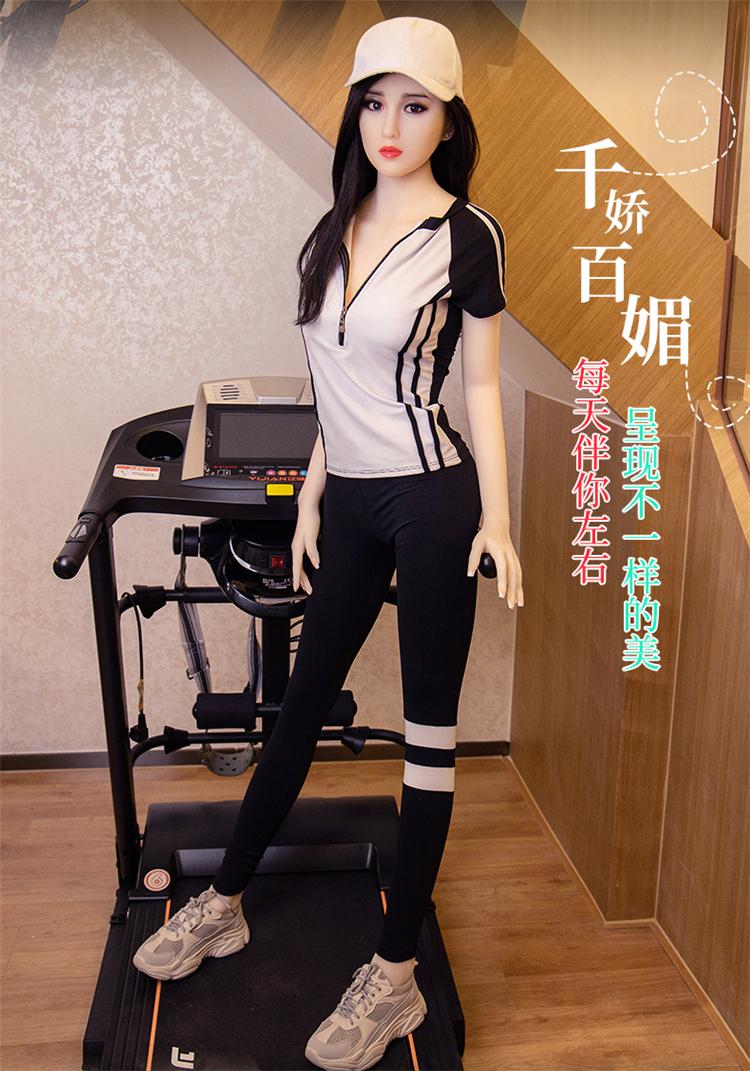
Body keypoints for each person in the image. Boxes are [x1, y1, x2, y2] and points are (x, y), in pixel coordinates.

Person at [133, 15, 523, 1071]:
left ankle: (394, 978)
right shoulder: (333, 226)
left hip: (433, 500)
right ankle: (225, 902)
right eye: (374, 101)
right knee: (301, 706)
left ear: (449, 120)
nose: (391, 123)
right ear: (355, 113)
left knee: (428, 739)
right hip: (346, 499)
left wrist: (499, 517)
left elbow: (481, 385)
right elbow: (331, 387)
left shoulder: (468, 235)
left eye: (416, 104)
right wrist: (310, 497)